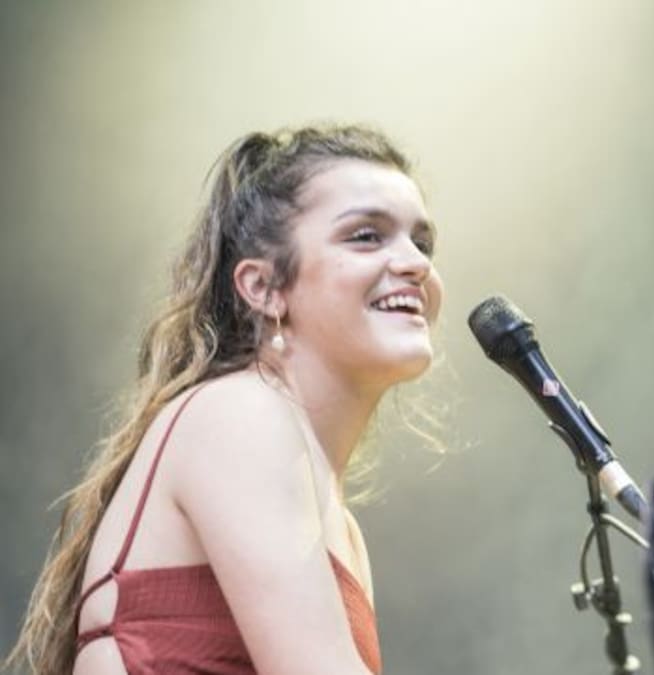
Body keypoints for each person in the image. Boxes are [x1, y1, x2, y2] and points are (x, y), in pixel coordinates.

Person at [4, 124, 443, 674]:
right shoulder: (238, 415)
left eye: (422, 243)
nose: (416, 263)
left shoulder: (341, 526)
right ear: (263, 287)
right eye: (366, 236)